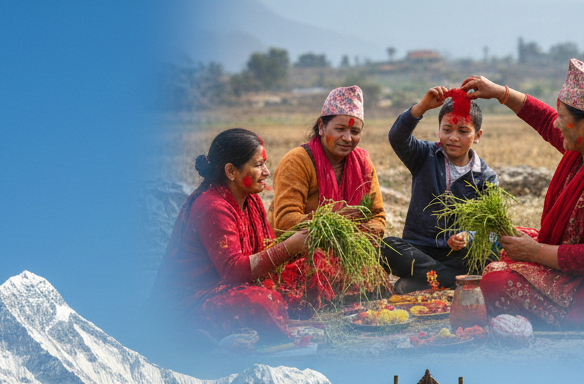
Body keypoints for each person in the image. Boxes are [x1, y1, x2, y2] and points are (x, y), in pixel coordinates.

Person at [462, 61, 584, 328]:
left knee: (495, 281)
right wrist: (499, 92)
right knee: (503, 238)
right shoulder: (582, 152)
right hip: (569, 264)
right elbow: (543, 119)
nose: (556, 122)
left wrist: (537, 253)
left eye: (563, 116)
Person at [152, 128, 308, 340]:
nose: (267, 172)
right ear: (231, 172)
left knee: (312, 267)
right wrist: (289, 246)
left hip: (235, 286)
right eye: (259, 165)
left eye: (265, 163)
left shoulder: (250, 198)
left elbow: (268, 247)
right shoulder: (212, 207)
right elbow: (235, 270)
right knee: (265, 303)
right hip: (193, 304)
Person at [383, 87, 499, 290]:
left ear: (477, 135)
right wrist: (422, 107)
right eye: (447, 130)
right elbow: (397, 138)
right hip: (420, 250)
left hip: (458, 255)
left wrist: (468, 237)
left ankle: (422, 281)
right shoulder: (424, 155)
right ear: (439, 130)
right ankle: (455, 280)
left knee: (493, 255)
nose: (453, 137)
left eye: (463, 131)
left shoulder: (485, 176)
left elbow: (490, 230)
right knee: (387, 247)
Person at [272, 86, 386, 238]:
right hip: (302, 248)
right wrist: (333, 225)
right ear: (321, 127)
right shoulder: (297, 162)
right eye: (340, 129)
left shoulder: (363, 164)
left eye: (355, 132)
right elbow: (284, 220)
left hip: (351, 247)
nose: (348, 138)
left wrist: (360, 236)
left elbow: (377, 216)